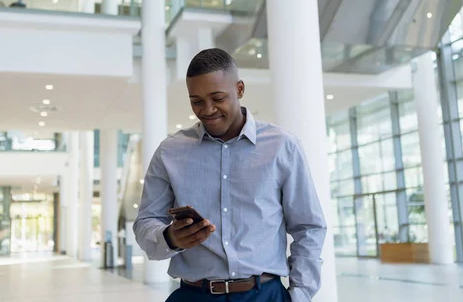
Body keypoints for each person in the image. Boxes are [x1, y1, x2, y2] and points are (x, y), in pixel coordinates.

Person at [133, 48, 326, 302]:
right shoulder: (170, 151)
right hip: (193, 295)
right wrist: (170, 237)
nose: (208, 109)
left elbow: (308, 227)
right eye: (197, 101)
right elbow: (145, 222)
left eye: (218, 98)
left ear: (240, 89)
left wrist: (300, 295)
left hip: (265, 295)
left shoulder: (282, 146)